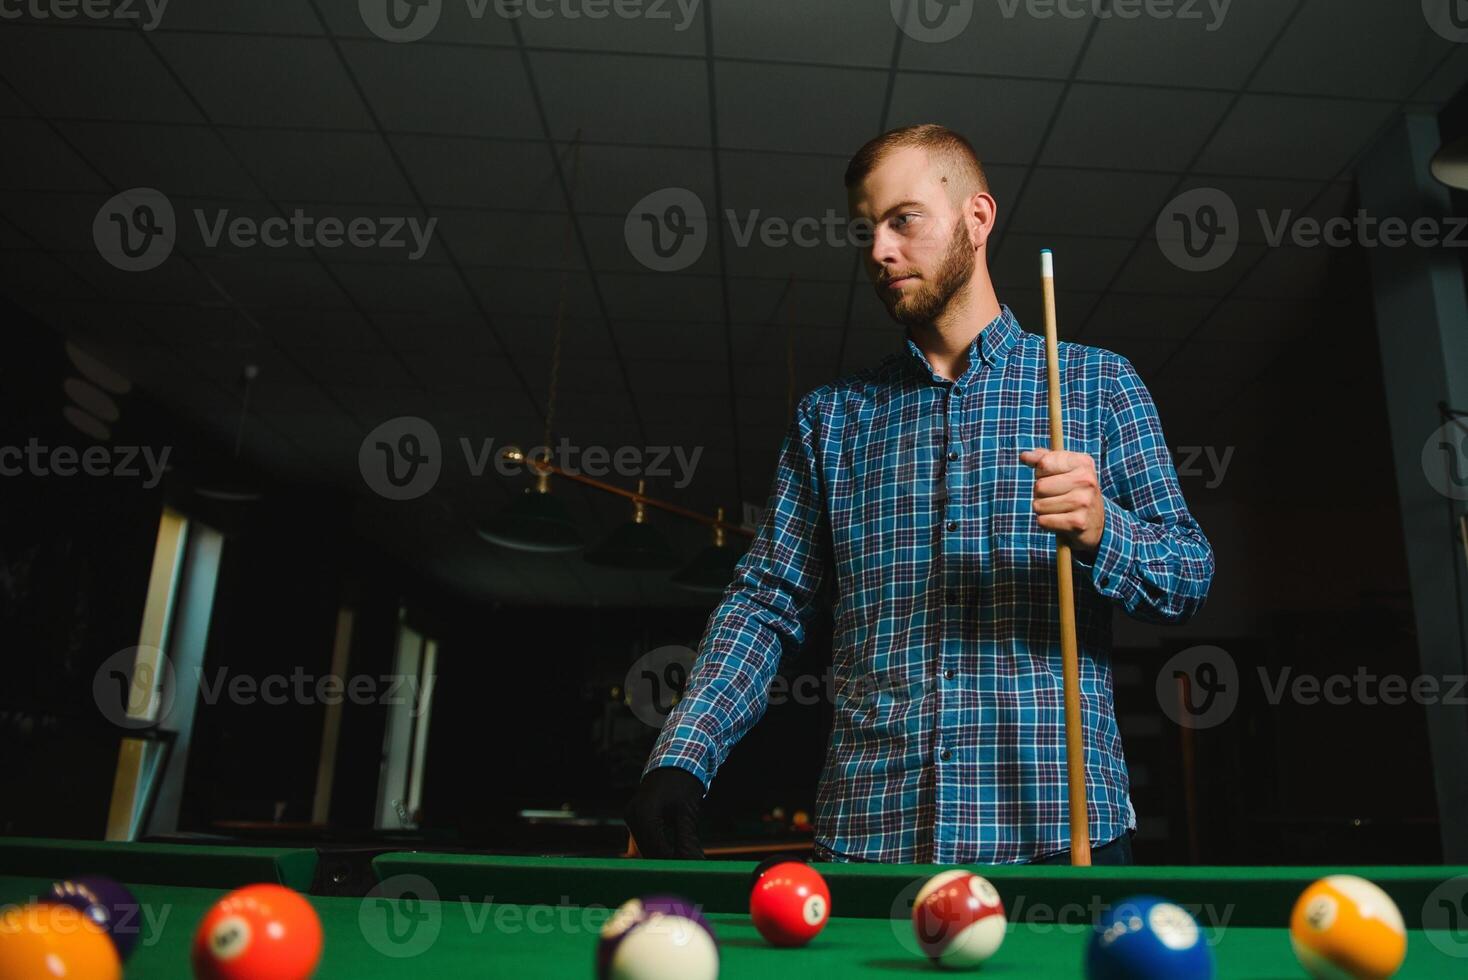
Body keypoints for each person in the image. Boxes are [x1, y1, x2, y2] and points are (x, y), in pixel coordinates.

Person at [626, 124, 1214, 865]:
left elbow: (1188, 575)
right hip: (872, 836)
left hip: (1057, 836)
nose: (878, 250)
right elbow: (765, 603)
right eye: (866, 230)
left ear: (977, 217)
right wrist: (683, 757)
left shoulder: (1097, 385)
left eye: (904, 220)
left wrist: (1104, 530)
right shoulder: (831, 419)